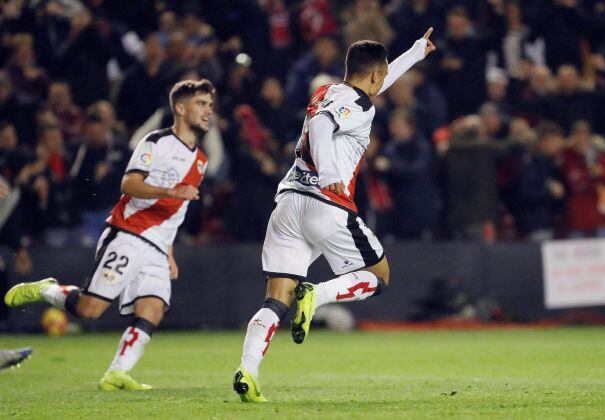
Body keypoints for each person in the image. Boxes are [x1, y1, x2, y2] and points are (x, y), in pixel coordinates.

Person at [233, 29, 436, 402]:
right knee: (379, 275)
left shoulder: (327, 90)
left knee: (276, 299)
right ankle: (319, 294)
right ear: (373, 75)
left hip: (289, 201)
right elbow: (326, 125)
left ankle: (248, 370)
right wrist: (328, 173)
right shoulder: (359, 105)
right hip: (326, 203)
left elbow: (364, 90)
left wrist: (415, 53)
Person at [4, 79, 214, 390]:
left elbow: (177, 211)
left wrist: (168, 250)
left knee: (153, 308)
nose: (208, 111)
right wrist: (171, 189)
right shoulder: (155, 142)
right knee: (90, 309)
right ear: (180, 109)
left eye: (210, 105)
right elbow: (129, 184)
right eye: (201, 104)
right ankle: (48, 289)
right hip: (129, 234)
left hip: (157, 245)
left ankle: (117, 373)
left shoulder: (201, 160)